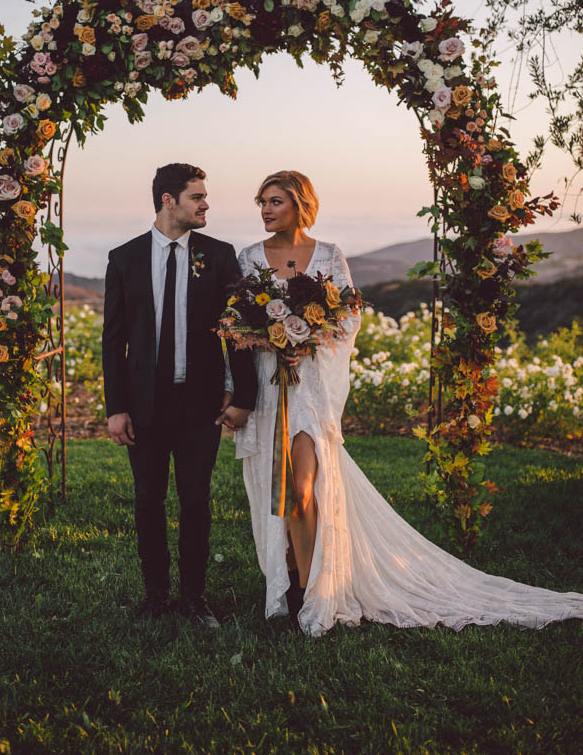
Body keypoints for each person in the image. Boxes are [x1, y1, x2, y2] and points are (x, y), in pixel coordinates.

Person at [235, 170, 583, 636]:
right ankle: (291, 578)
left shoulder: (330, 255)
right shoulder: (248, 258)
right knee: (274, 489)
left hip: (310, 387)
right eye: (261, 202)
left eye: (274, 201)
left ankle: (312, 595)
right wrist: (270, 337)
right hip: (267, 384)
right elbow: (239, 319)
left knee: (301, 490)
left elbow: (349, 318)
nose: (265, 210)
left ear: (299, 204)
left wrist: (307, 336)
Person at [102, 163, 258, 629]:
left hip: (200, 404)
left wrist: (242, 397)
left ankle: (194, 599)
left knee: (196, 501)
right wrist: (116, 408)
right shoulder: (124, 258)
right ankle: (154, 597)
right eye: (197, 197)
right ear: (168, 200)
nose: (205, 204)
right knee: (148, 500)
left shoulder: (220, 254)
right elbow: (113, 341)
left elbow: (239, 332)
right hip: (144, 405)